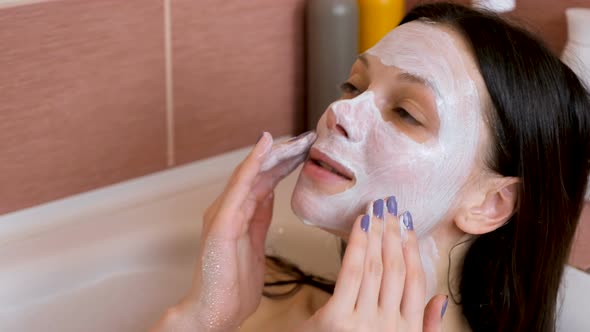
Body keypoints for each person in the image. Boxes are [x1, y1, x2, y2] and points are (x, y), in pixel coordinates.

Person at [151, 2, 590, 331]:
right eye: (353, 86)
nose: (339, 113)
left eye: (406, 112)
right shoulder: (261, 299)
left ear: (490, 204)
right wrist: (200, 316)